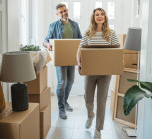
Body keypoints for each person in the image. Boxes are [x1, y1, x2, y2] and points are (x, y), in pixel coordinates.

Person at [76, 8, 120, 138]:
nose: (100, 16)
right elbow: (79, 50)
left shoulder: (111, 34)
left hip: (105, 73)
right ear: (93, 18)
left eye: (102, 14)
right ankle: (90, 115)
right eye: (97, 15)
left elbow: (117, 51)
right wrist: (78, 63)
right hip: (90, 72)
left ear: (105, 17)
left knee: (101, 101)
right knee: (88, 98)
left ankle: (98, 129)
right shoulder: (88, 33)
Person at [43, 3, 82, 119]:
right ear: (57, 14)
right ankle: (61, 108)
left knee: (70, 81)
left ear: (67, 10)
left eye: (65, 10)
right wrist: (48, 44)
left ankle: (64, 101)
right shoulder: (53, 25)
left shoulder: (75, 25)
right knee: (62, 82)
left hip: (72, 57)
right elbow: (45, 40)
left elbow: (80, 39)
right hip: (60, 58)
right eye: (61, 12)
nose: (64, 13)